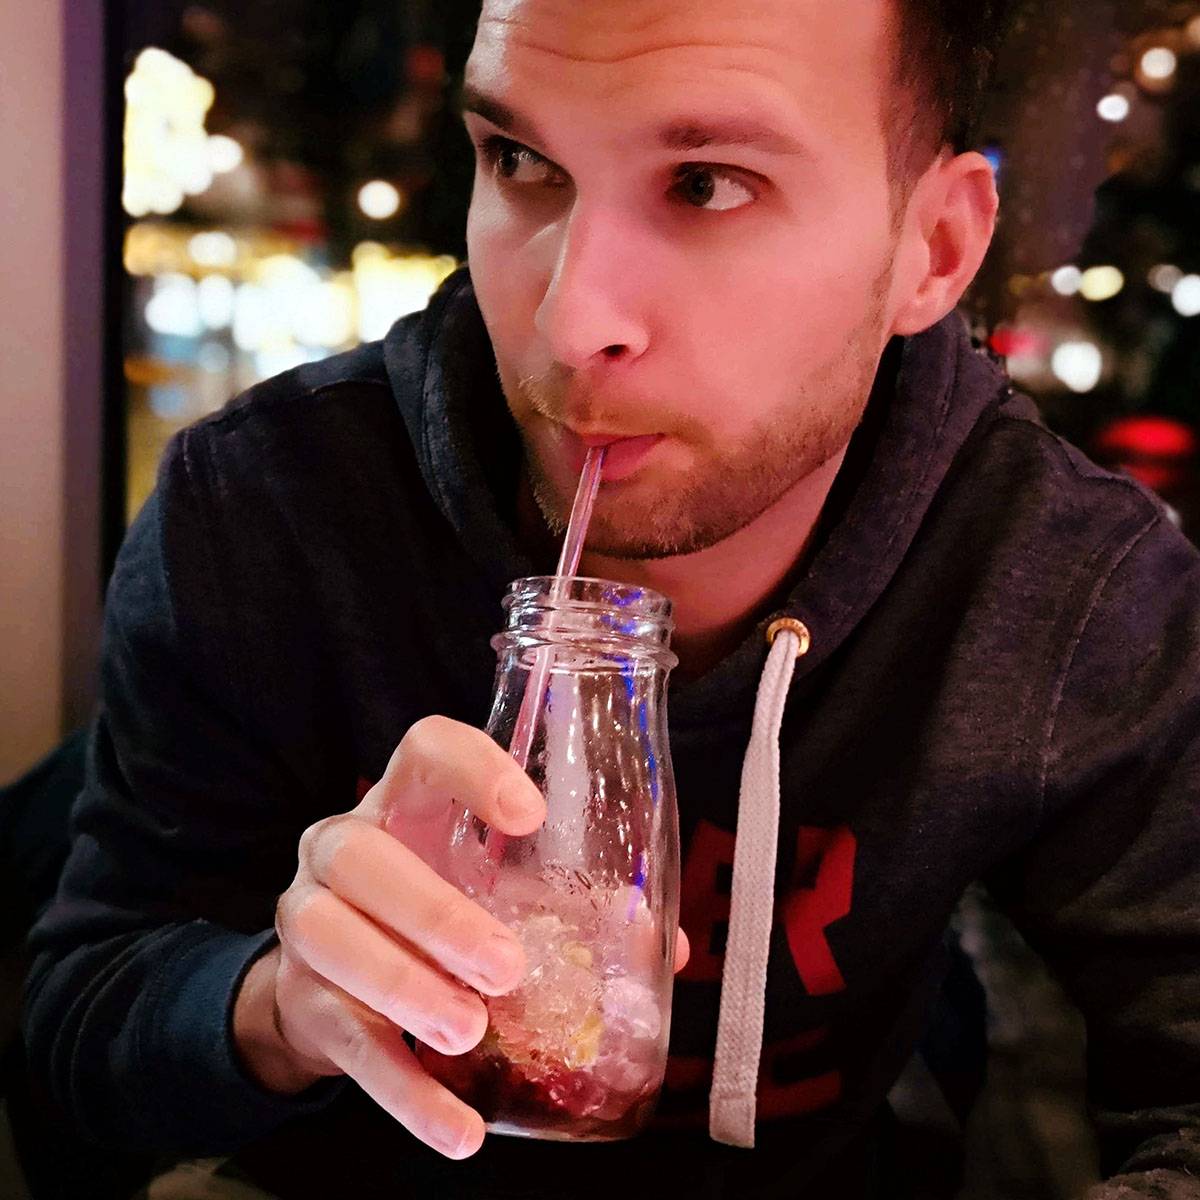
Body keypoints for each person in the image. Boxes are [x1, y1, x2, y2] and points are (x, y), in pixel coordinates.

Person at [21, 0, 1200, 1197]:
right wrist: (278, 1007)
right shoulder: (271, 505)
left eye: (707, 184)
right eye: (520, 161)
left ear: (933, 250)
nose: (571, 320)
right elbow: (79, 1020)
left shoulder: (1063, 586)